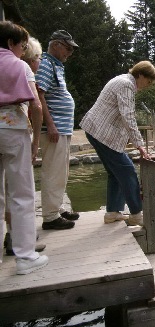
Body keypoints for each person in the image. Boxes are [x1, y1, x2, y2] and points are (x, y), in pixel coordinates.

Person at [80, 61, 155, 226]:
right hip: (101, 132)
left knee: (115, 173)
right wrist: (140, 145)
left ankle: (113, 212)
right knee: (127, 170)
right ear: (141, 75)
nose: (148, 86)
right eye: (148, 81)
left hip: (97, 130)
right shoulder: (126, 85)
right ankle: (137, 214)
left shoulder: (122, 80)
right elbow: (128, 116)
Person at [0, 21, 49, 274]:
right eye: (22, 46)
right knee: (21, 194)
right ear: (11, 43)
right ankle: (25, 257)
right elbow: (36, 106)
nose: (23, 51)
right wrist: (35, 144)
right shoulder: (19, 65)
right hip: (13, 129)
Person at [35, 30, 79, 230]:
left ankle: (58, 207)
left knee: (61, 171)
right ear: (56, 45)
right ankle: (50, 216)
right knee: (53, 171)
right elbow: (38, 93)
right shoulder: (46, 64)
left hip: (62, 128)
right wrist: (50, 124)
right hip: (54, 128)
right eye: (67, 48)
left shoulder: (56, 65)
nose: (69, 52)